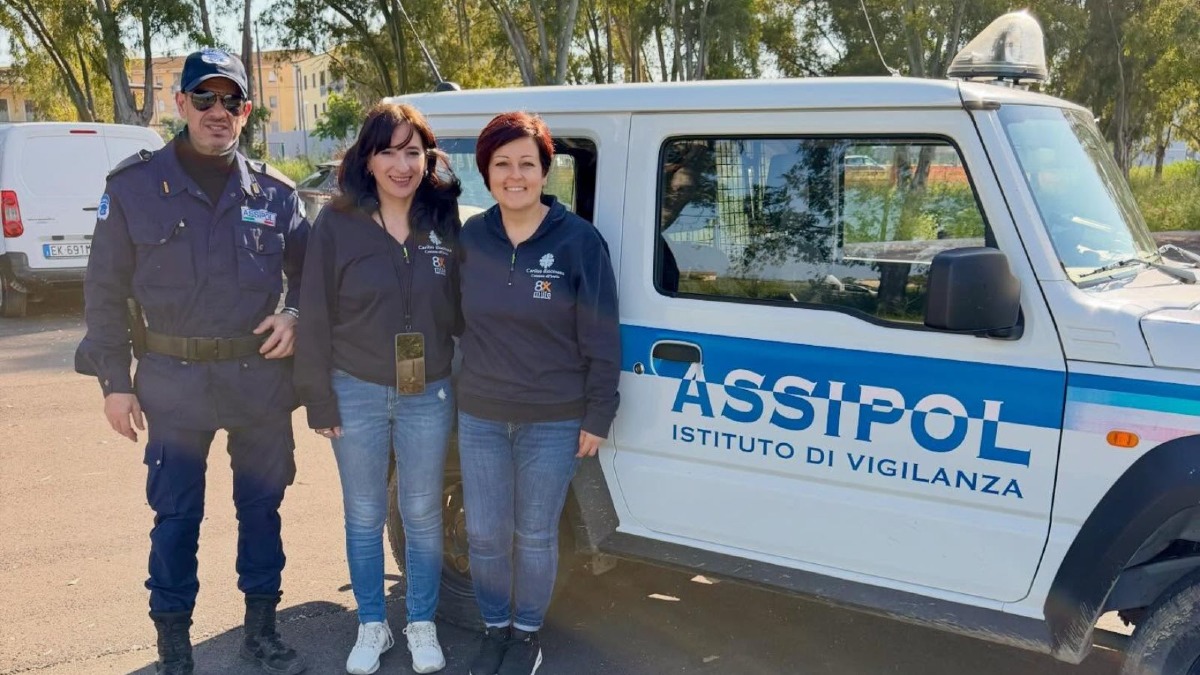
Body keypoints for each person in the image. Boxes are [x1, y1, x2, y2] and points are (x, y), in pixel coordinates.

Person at [74, 48, 309, 675]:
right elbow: (102, 291)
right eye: (203, 98)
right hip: (172, 385)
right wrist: (114, 384)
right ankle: (174, 646)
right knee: (177, 515)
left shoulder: (278, 193)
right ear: (180, 105)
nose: (217, 111)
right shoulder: (133, 187)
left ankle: (261, 629)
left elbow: (315, 278)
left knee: (262, 509)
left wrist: (297, 317)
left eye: (230, 100)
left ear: (247, 112)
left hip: (257, 382)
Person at [293, 103, 461, 675]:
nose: (401, 163)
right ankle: (372, 623)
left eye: (412, 151)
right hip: (354, 388)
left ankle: (421, 623)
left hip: (428, 391)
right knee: (363, 513)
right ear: (367, 158)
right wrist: (317, 396)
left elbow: (464, 306)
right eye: (388, 150)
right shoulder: (337, 223)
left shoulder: (442, 218)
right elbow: (313, 312)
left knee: (420, 512)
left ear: (427, 158)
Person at [457, 112, 620, 675]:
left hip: (553, 418)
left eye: (527, 162)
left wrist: (599, 413)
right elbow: (450, 320)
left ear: (546, 169)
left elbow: (602, 334)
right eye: (502, 163)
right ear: (487, 172)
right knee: (483, 534)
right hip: (480, 414)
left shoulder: (579, 242)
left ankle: (527, 634)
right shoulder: (472, 237)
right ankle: (494, 628)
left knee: (533, 533)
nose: (515, 174)